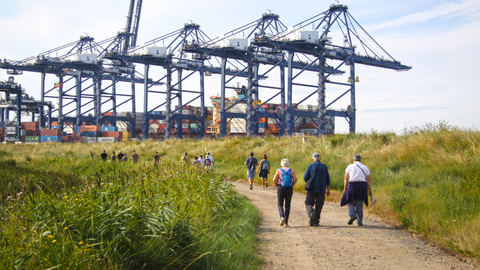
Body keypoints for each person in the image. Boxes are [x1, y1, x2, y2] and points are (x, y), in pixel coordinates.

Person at [341, 154, 372, 226]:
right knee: (359, 204)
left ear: (353, 160)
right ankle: (359, 221)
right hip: (362, 186)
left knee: (351, 202)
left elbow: (346, 178)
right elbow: (368, 180)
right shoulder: (365, 167)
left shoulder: (350, 166)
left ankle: (352, 215)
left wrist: (345, 188)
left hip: (352, 185)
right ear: (360, 160)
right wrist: (370, 190)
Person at [303, 152, 330, 227]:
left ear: (312, 159)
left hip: (311, 189)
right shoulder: (324, 166)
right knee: (319, 204)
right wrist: (328, 190)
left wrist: (309, 182)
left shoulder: (310, 166)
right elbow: (328, 179)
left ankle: (311, 213)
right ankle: (316, 222)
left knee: (308, 203)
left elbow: (305, 177)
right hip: (322, 189)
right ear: (320, 159)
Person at [273, 159, 297, 227]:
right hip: (289, 188)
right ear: (288, 164)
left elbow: (274, 179)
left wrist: (277, 185)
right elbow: (295, 179)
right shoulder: (291, 170)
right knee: (287, 204)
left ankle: (282, 217)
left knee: (280, 204)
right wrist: (292, 185)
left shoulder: (279, 170)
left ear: (281, 164)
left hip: (281, 187)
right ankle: (286, 222)